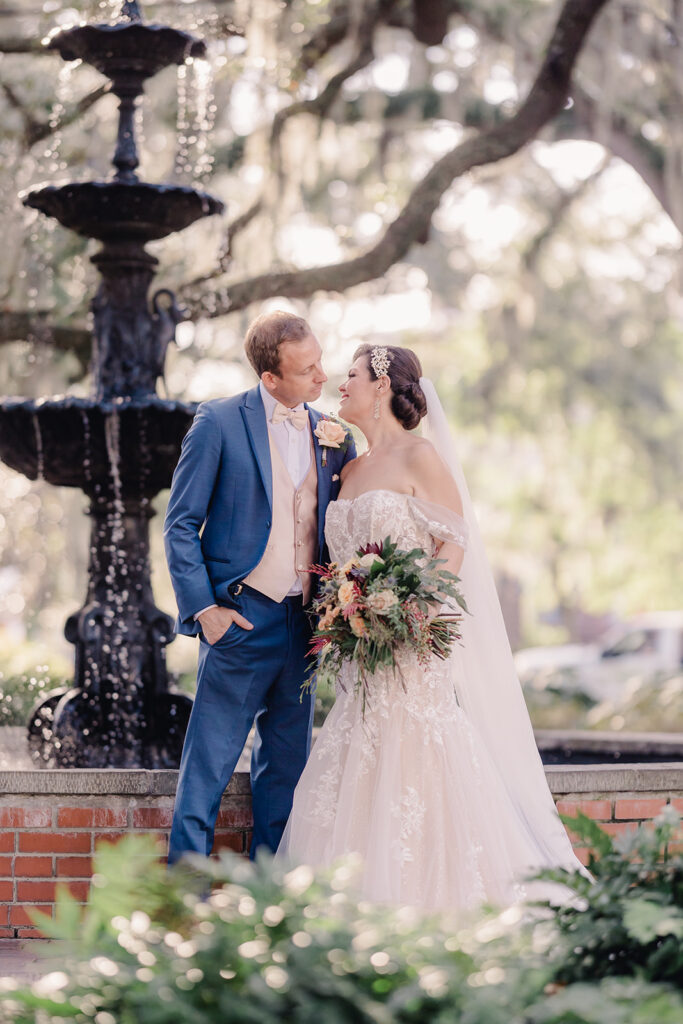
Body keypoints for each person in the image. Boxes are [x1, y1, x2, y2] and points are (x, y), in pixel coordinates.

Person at [278, 343, 587, 912]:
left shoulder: (421, 458)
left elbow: (454, 539)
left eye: (349, 377)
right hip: (360, 651)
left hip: (411, 645)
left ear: (381, 387)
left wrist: (412, 607)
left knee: (418, 754)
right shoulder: (347, 467)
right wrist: (347, 607)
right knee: (356, 757)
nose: (339, 387)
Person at [164, 310, 356, 865]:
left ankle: (270, 911)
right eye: (308, 370)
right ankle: (182, 908)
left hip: (305, 626)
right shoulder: (219, 422)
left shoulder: (334, 436)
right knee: (207, 772)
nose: (323, 377)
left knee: (285, 775)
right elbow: (180, 524)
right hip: (240, 621)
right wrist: (205, 610)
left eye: (321, 362)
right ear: (270, 378)